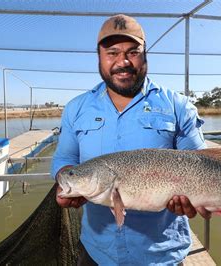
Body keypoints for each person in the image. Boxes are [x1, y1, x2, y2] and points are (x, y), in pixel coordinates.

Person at [51, 14, 209, 265]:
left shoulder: (178, 106)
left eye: (132, 52)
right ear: (99, 57)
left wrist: (197, 200)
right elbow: (66, 157)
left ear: (146, 55)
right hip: (97, 252)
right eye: (112, 52)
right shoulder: (75, 108)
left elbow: (202, 165)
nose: (122, 62)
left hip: (162, 256)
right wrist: (68, 176)